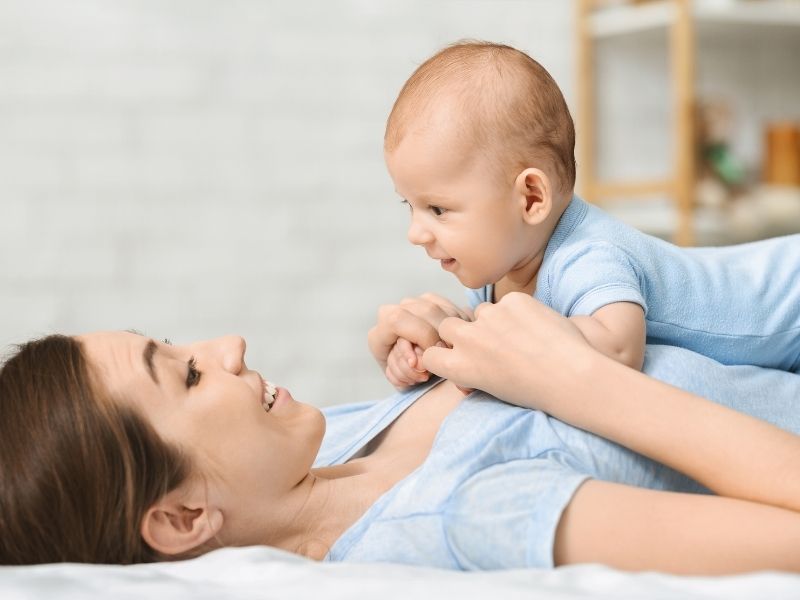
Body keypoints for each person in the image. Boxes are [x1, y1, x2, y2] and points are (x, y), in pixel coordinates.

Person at [2, 295, 800, 573]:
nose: (228, 348)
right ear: (180, 518)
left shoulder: (335, 444)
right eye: (187, 376)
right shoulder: (463, 517)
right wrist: (579, 383)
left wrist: (462, 324)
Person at [380, 40, 800, 388]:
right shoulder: (496, 270)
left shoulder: (589, 254)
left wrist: (484, 343)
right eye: (410, 206)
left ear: (530, 198)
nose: (416, 233)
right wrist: (432, 348)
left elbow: (619, 349)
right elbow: (493, 331)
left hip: (786, 297)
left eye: (438, 209)